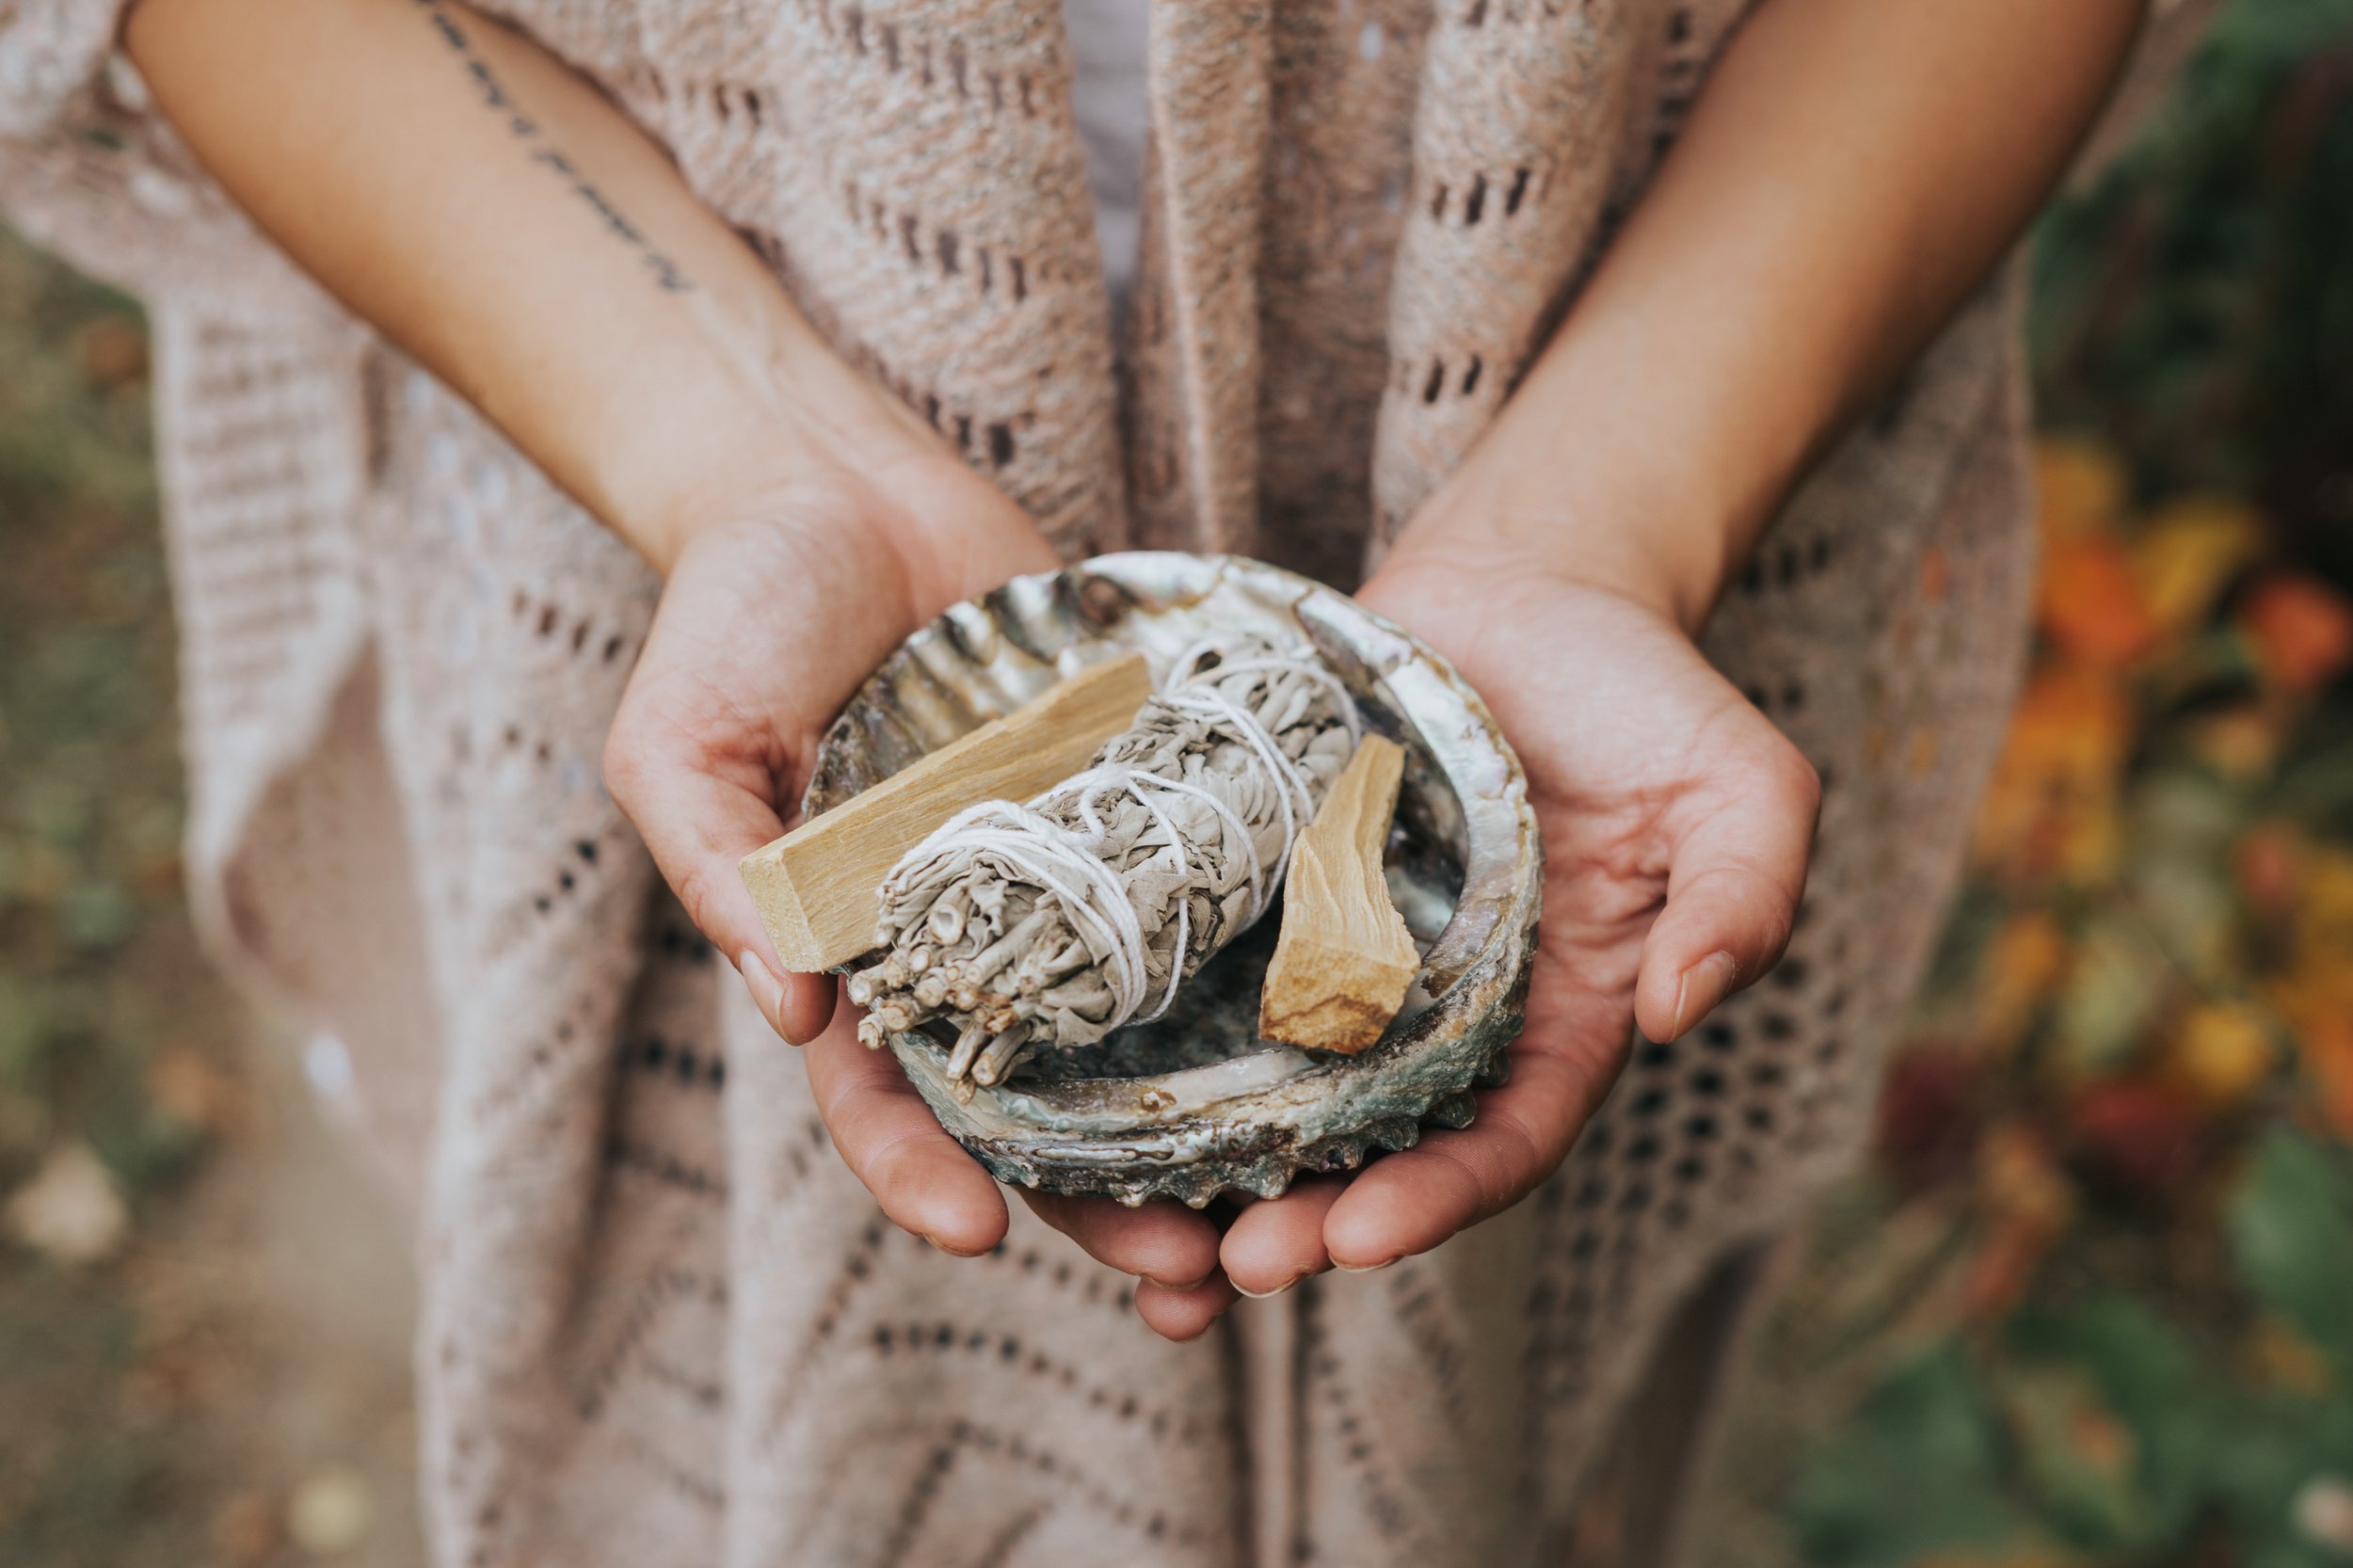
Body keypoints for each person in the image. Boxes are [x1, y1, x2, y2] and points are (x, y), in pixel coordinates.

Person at [0, 0, 2208, 1560]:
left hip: (1649, 366)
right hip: (583, 441)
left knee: (1496, 1424)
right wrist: (732, 446)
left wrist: (1607, 513)